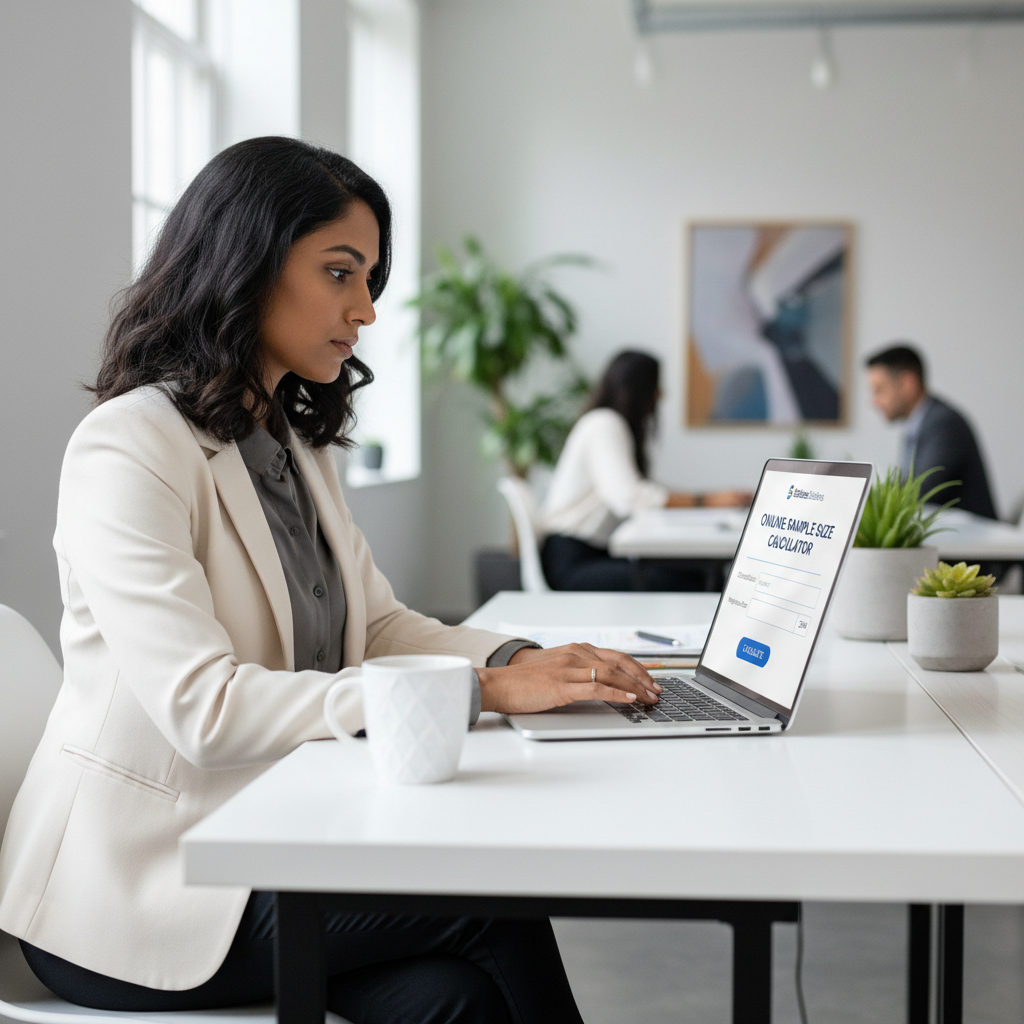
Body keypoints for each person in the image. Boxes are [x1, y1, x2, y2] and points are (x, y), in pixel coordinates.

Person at [0, 138, 664, 1024]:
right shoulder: (129, 446)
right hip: (138, 890)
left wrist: (539, 662)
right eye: (340, 273)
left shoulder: (293, 444)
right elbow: (204, 708)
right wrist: (484, 690)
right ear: (246, 259)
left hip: (273, 839)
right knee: (488, 899)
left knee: (456, 1002)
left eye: (370, 279)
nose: (366, 311)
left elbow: (378, 627)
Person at [541, 350, 750, 591]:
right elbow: (630, 497)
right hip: (571, 564)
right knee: (696, 581)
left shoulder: (610, 424)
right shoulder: (604, 424)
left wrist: (710, 498)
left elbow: (644, 490)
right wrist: (708, 500)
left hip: (590, 554)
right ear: (638, 388)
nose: (662, 395)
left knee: (694, 574)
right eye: (656, 386)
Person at [865, 344, 997, 520]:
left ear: (907, 383)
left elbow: (921, 491)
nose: (874, 402)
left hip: (975, 539)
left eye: (879, 390)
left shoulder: (944, 423)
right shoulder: (920, 423)